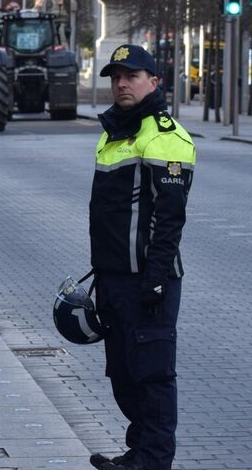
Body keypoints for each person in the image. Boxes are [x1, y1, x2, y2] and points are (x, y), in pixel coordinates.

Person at [87, 44, 196, 470]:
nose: (121, 84)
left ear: (154, 81)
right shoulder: (114, 130)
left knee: (152, 376)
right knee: (122, 374)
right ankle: (139, 452)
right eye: (115, 77)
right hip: (113, 277)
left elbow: (168, 221)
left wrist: (154, 278)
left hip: (149, 280)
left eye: (131, 76)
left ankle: (153, 462)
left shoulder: (166, 137)